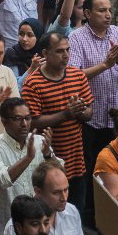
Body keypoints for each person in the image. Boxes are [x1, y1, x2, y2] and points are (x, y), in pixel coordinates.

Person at [69, 0, 118, 221]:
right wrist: (105, 65)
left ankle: (116, 211)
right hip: (92, 116)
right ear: (88, 13)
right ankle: (91, 215)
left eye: (109, 10)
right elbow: (74, 76)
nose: (108, 14)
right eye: (101, 10)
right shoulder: (76, 38)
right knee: (92, 168)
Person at [21, 31, 93, 213]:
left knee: (75, 213)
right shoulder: (33, 83)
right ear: (45, 54)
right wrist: (66, 114)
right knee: (48, 214)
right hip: (47, 162)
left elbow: (89, 113)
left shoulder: (78, 76)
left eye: (68, 50)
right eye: (60, 51)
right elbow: (32, 122)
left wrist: (79, 110)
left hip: (76, 162)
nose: (66, 55)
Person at [0, 98, 56, 235]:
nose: (24, 124)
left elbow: (58, 176)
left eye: (28, 118)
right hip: (3, 230)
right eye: (18, 119)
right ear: (4, 122)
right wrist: (28, 158)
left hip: (36, 228)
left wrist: (47, 155)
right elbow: (3, 180)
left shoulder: (39, 141)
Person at [2, 159, 92, 235]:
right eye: (56, 192)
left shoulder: (72, 212)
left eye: (66, 190)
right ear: (38, 191)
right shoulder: (17, 226)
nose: (64, 198)